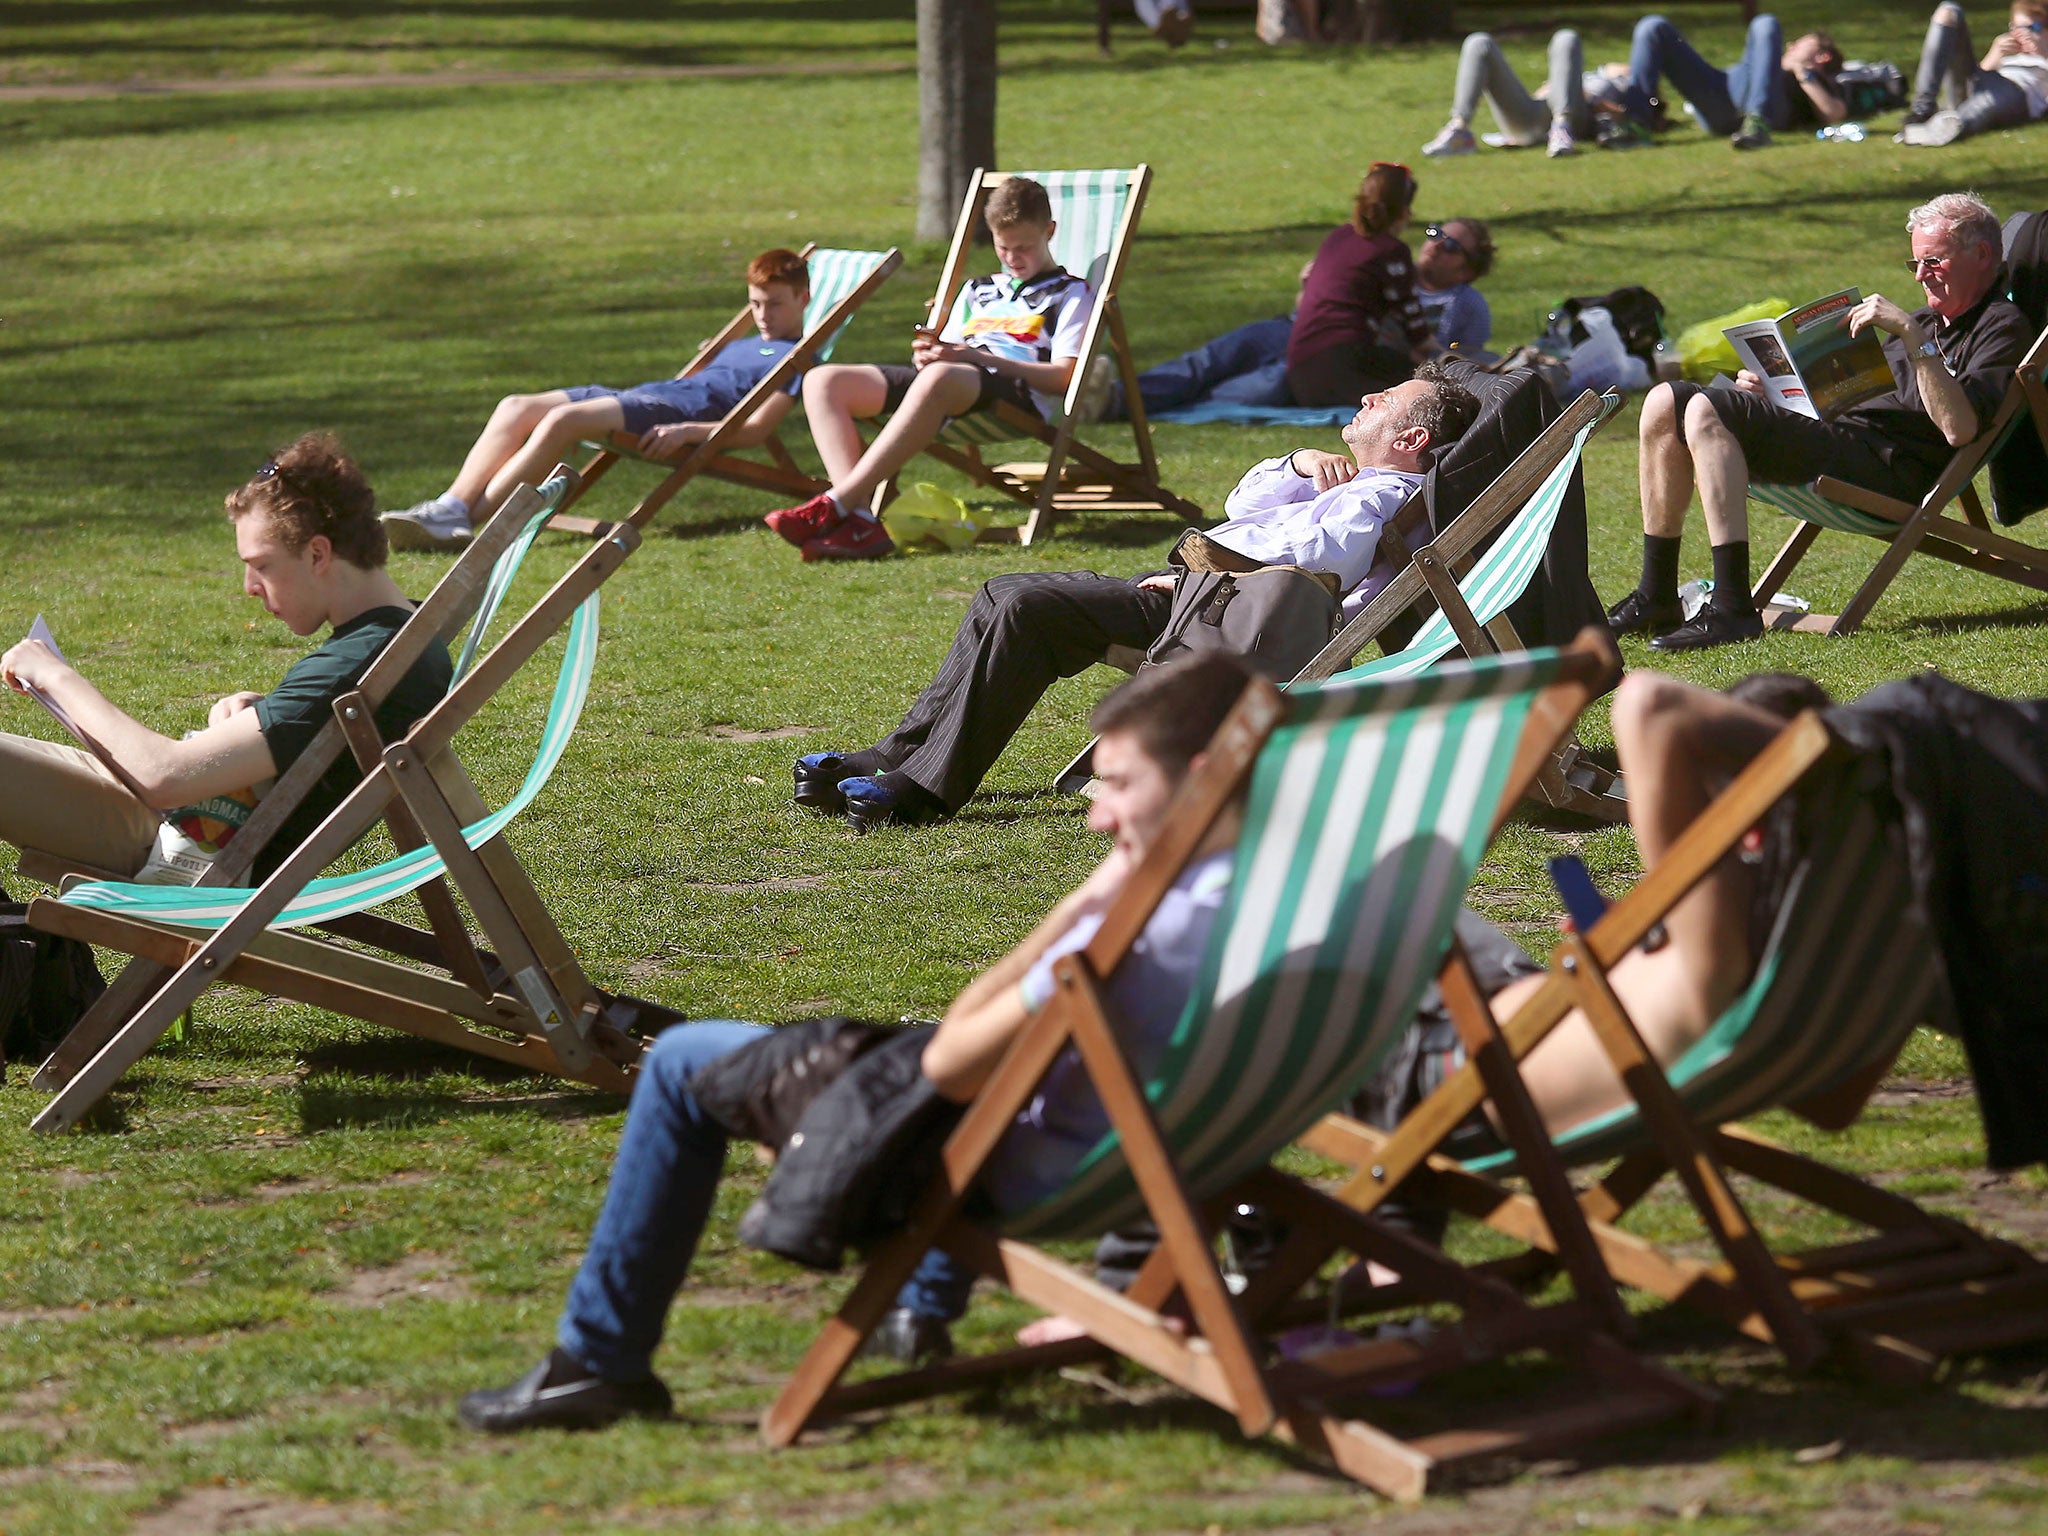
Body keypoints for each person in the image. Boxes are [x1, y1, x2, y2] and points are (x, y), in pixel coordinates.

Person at [454, 652, 1261, 1433]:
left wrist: (1095, 895)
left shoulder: (1135, 936)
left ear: (1198, 779)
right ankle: (919, 1304)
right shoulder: (1282, 896)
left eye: (1116, 785)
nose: (1095, 813)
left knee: (678, 1060)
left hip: (1032, 1158)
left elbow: (951, 1062)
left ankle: (598, 1360)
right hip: (1172, 1146)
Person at [789, 361, 1482, 831]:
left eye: (1383, 401)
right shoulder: (1344, 484)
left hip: (1230, 623)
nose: (1367, 400)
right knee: (1006, 591)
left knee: (1027, 609)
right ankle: (895, 756)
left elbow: (1320, 560)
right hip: (1204, 599)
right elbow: (1242, 501)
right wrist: (1298, 464)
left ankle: (924, 791)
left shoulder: (1387, 498)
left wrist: (1203, 568)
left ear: (1412, 438)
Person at [0, 433, 452, 882]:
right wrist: (267, 718)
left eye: (262, 565)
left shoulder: (356, 664)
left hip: (177, 845)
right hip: (189, 818)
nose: (249, 586)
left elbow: (165, 776)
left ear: (318, 553)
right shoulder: (405, 633)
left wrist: (55, 676)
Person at [1606, 192, 2032, 651]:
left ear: (1982, 255)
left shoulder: (2001, 329)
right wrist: (1772, 393)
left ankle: (1730, 606)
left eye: (1933, 262)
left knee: (1708, 410)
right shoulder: (1923, 321)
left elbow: (1960, 430)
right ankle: (1656, 595)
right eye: (1915, 266)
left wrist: (1911, 338)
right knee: (1665, 399)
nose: (1922, 276)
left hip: (1889, 469)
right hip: (1841, 439)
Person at [380, 249, 814, 552]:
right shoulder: (748, 342)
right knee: (516, 404)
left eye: (774, 304)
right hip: (645, 394)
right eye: (755, 304)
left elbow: (756, 430)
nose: (762, 315)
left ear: (803, 299)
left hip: (671, 415)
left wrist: (689, 432)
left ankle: (470, 523)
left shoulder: (795, 360)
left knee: (562, 422)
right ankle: (452, 506)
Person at [761, 177, 1096, 563]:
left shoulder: (1071, 294)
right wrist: (930, 354)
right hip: (949, 385)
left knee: (940, 377)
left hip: (1013, 391)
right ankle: (859, 519)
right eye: (1003, 247)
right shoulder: (977, 290)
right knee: (823, 380)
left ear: (1050, 232)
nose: (1013, 258)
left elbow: (1064, 378)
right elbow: (947, 353)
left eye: (1024, 247)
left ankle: (837, 503)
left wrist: (977, 359)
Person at [1082, 222, 1495, 422]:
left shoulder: (1466, 304)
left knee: (1235, 391)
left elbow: (1449, 365)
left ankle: (1126, 410)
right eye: (1435, 231)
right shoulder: (1388, 258)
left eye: (1452, 245)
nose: (1436, 245)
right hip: (1293, 326)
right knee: (1207, 360)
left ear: (1467, 269)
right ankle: (1112, 398)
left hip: (1343, 357)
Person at [1285, 163, 1434, 409]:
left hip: (1300, 370)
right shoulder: (1391, 250)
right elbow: (1416, 330)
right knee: (1428, 386)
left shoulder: (1339, 237)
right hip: (1341, 366)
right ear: (1405, 210)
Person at [1623, 13, 1848, 150]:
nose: (1790, 46)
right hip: (1723, 92)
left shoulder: (1817, 79)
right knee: (1653, 26)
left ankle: (1757, 124)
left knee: (1766, 23)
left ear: (1822, 57)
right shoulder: (1766, 59)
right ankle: (1636, 125)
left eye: (1800, 44)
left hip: (1767, 108)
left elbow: (1834, 114)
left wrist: (1801, 71)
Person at [1422, 29, 1635, 159]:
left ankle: (1562, 129)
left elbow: (1623, 114)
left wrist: (1592, 98)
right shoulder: (1591, 72)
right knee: (1478, 43)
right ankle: (1460, 130)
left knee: (1567, 37)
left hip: (1576, 114)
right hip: (1535, 114)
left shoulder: (1625, 85)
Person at [1897, 0, 2048, 145]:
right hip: (1979, 87)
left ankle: (1944, 127)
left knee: (1994, 98)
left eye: (2032, 28)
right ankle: (1922, 111)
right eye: (2016, 28)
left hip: (2016, 93)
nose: (2022, 34)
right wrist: (1995, 54)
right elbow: (1977, 78)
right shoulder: (2009, 53)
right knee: (1948, 10)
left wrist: (2041, 52)